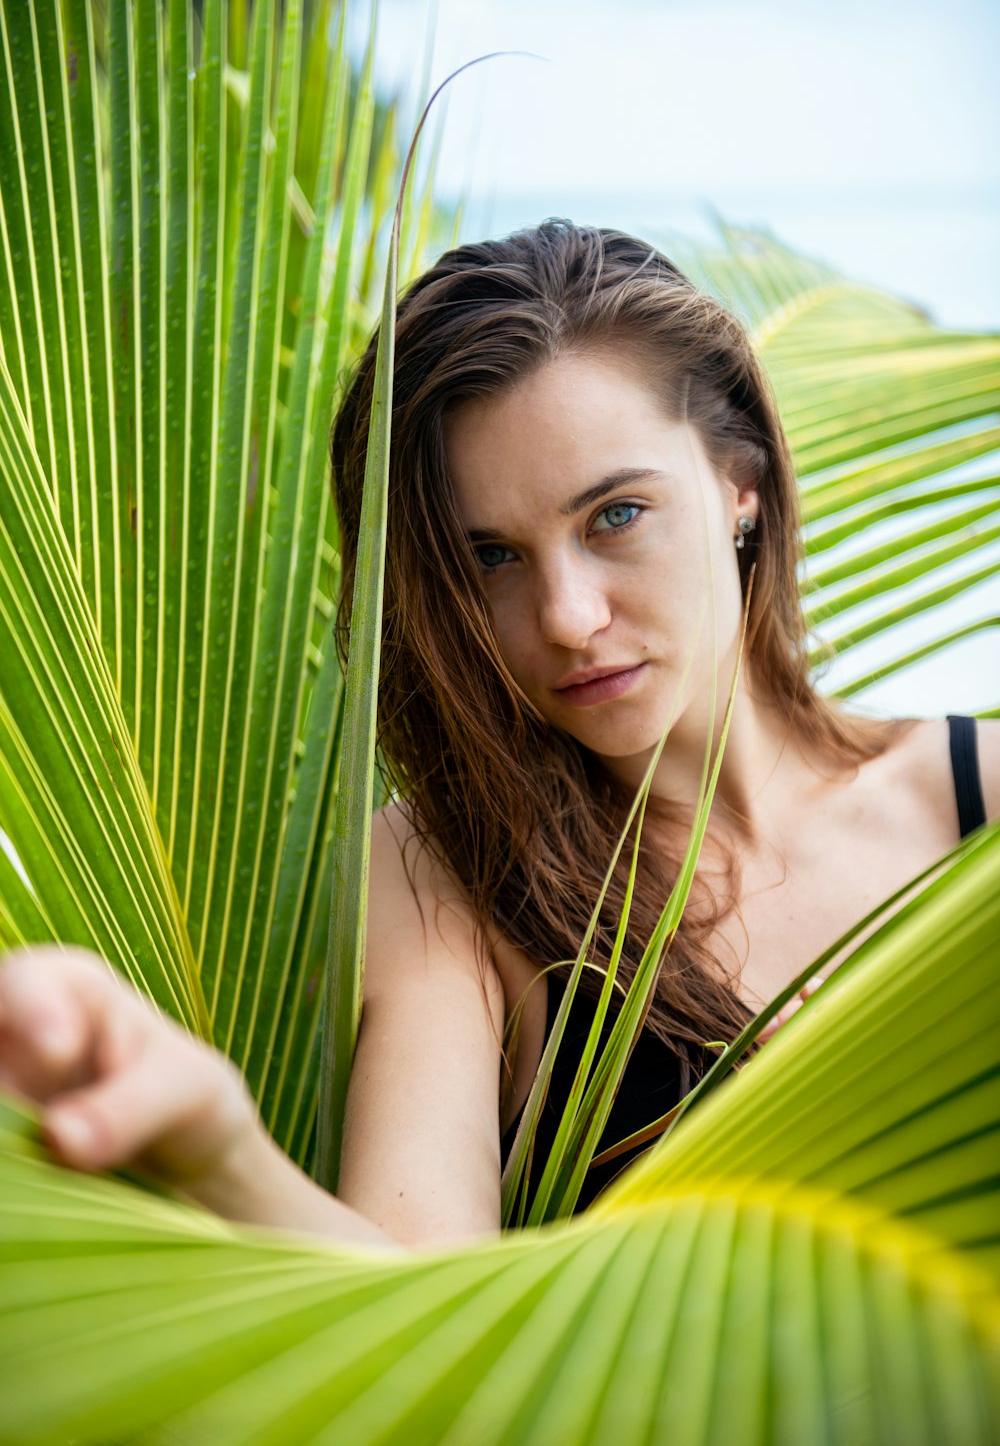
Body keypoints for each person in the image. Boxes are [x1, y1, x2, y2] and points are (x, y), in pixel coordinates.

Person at [0, 221, 996, 1252]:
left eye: (614, 515)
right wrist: (219, 1147)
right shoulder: (452, 881)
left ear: (737, 484)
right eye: (489, 556)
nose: (565, 617)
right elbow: (416, 1292)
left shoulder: (977, 803)